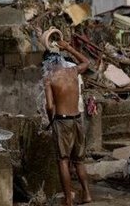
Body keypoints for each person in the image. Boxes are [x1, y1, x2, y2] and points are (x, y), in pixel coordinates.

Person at [44, 39, 92, 205]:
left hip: (62, 121)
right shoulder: (73, 71)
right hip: (77, 119)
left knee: (63, 160)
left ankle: (68, 199)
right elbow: (87, 62)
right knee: (79, 161)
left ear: (47, 63)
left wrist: (51, 120)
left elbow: (50, 106)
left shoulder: (49, 78)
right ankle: (87, 194)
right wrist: (69, 47)